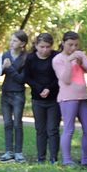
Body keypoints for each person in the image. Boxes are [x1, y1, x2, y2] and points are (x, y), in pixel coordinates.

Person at [53, 31, 87, 166]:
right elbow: (65, 79)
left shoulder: (80, 55)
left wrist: (82, 61)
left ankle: (86, 158)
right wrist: (69, 62)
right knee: (69, 129)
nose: (73, 48)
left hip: (82, 97)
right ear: (63, 43)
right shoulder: (58, 59)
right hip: (67, 98)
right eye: (70, 45)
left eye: (76, 45)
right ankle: (67, 159)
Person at [23, 33, 60, 164]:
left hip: (54, 99)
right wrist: (39, 89)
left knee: (52, 129)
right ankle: (41, 157)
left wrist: (49, 88)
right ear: (36, 46)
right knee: (40, 129)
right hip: (37, 99)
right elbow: (27, 77)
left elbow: (58, 76)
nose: (45, 50)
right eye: (42, 47)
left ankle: (54, 158)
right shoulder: (31, 58)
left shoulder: (56, 57)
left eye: (48, 47)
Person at [0, 31, 29, 162]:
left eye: (15, 41)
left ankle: (18, 152)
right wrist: (2, 67)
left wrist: (10, 68)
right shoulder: (5, 55)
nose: (12, 43)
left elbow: (22, 79)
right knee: (7, 123)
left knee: (17, 123)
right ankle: (8, 151)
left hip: (18, 93)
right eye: (11, 40)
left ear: (22, 44)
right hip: (5, 93)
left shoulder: (26, 58)